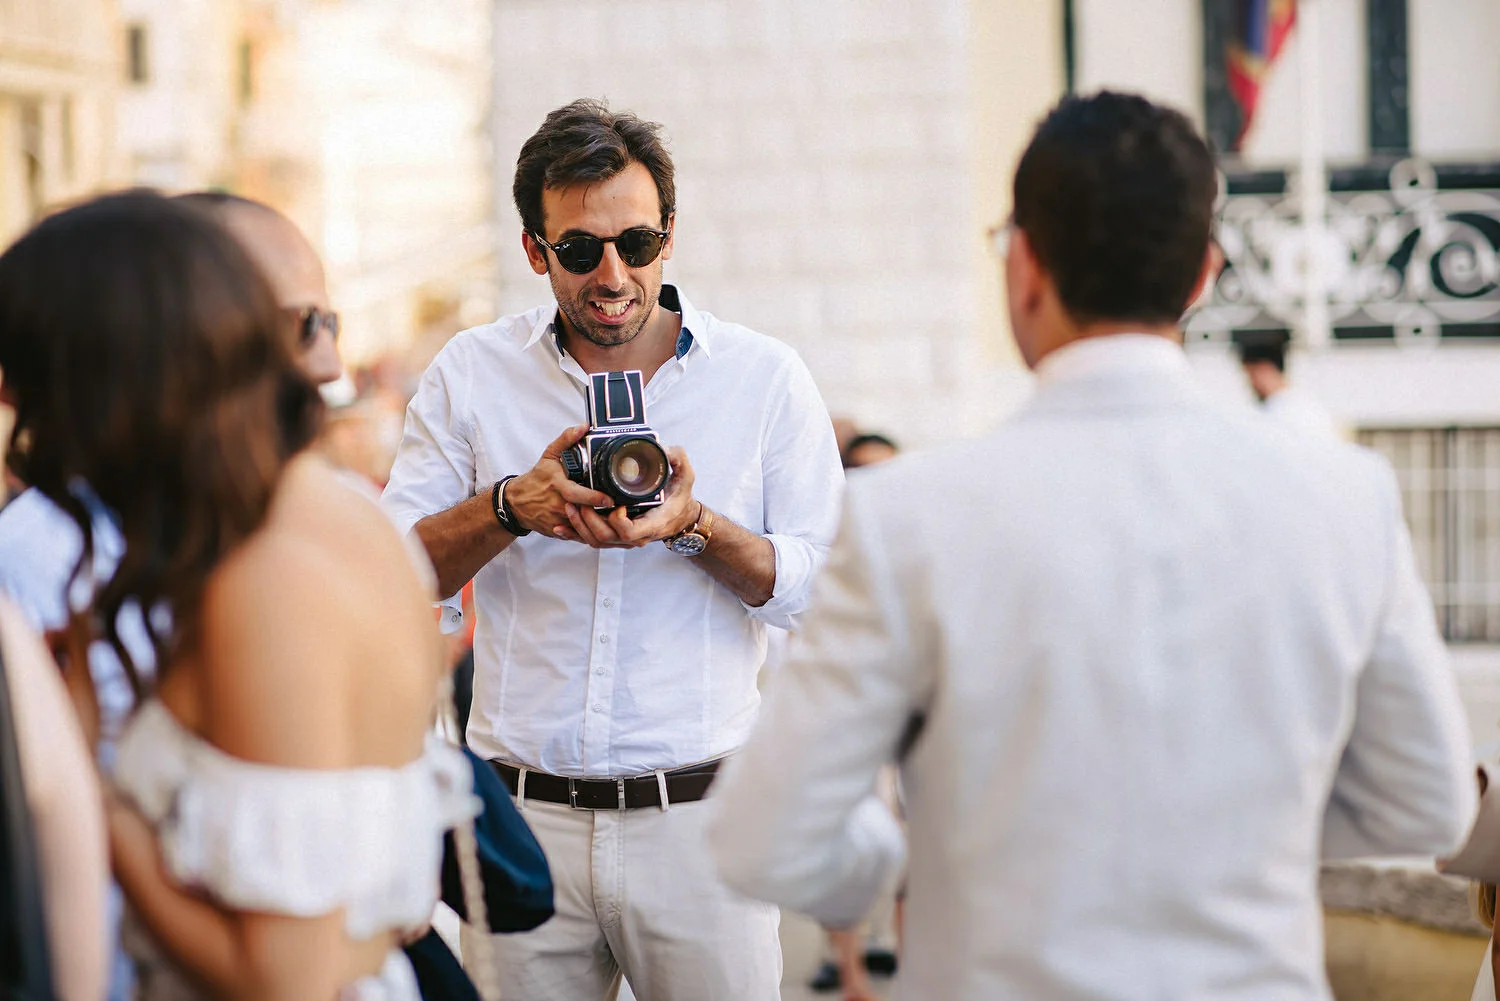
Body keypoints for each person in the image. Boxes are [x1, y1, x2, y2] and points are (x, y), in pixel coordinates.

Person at [708, 91, 1477, 1001]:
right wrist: (1244, 818)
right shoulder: (1348, 497)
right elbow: (1427, 802)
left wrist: (924, 845)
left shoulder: (905, 516)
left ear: (1022, 267)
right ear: (1204, 274)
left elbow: (764, 836)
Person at [382, 98, 843, 1000]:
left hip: (703, 822)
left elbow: (827, 588)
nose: (611, 273)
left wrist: (694, 526)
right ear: (533, 249)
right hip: (522, 820)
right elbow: (392, 578)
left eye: (636, 243)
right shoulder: (472, 374)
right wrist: (512, 504)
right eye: (578, 248)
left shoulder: (763, 377)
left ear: (669, 237)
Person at [0, 191, 476, 999]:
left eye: (38, 393)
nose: (22, 424)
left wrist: (93, 788)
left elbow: (281, 977)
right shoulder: (332, 517)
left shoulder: (272, 577)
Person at [807, 429, 904, 1001]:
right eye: (863, 470)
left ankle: (891, 951)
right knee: (840, 845)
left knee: (903, 847)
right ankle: (845, 969)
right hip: (835, 719)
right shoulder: (827, 543)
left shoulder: (922, 541)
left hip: (905, 723)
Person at [1237, 332, 1338, 437]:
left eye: (1250, 375)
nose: (1250, 383)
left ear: (1264, 370)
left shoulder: (1281, 409)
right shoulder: (1305, 401)